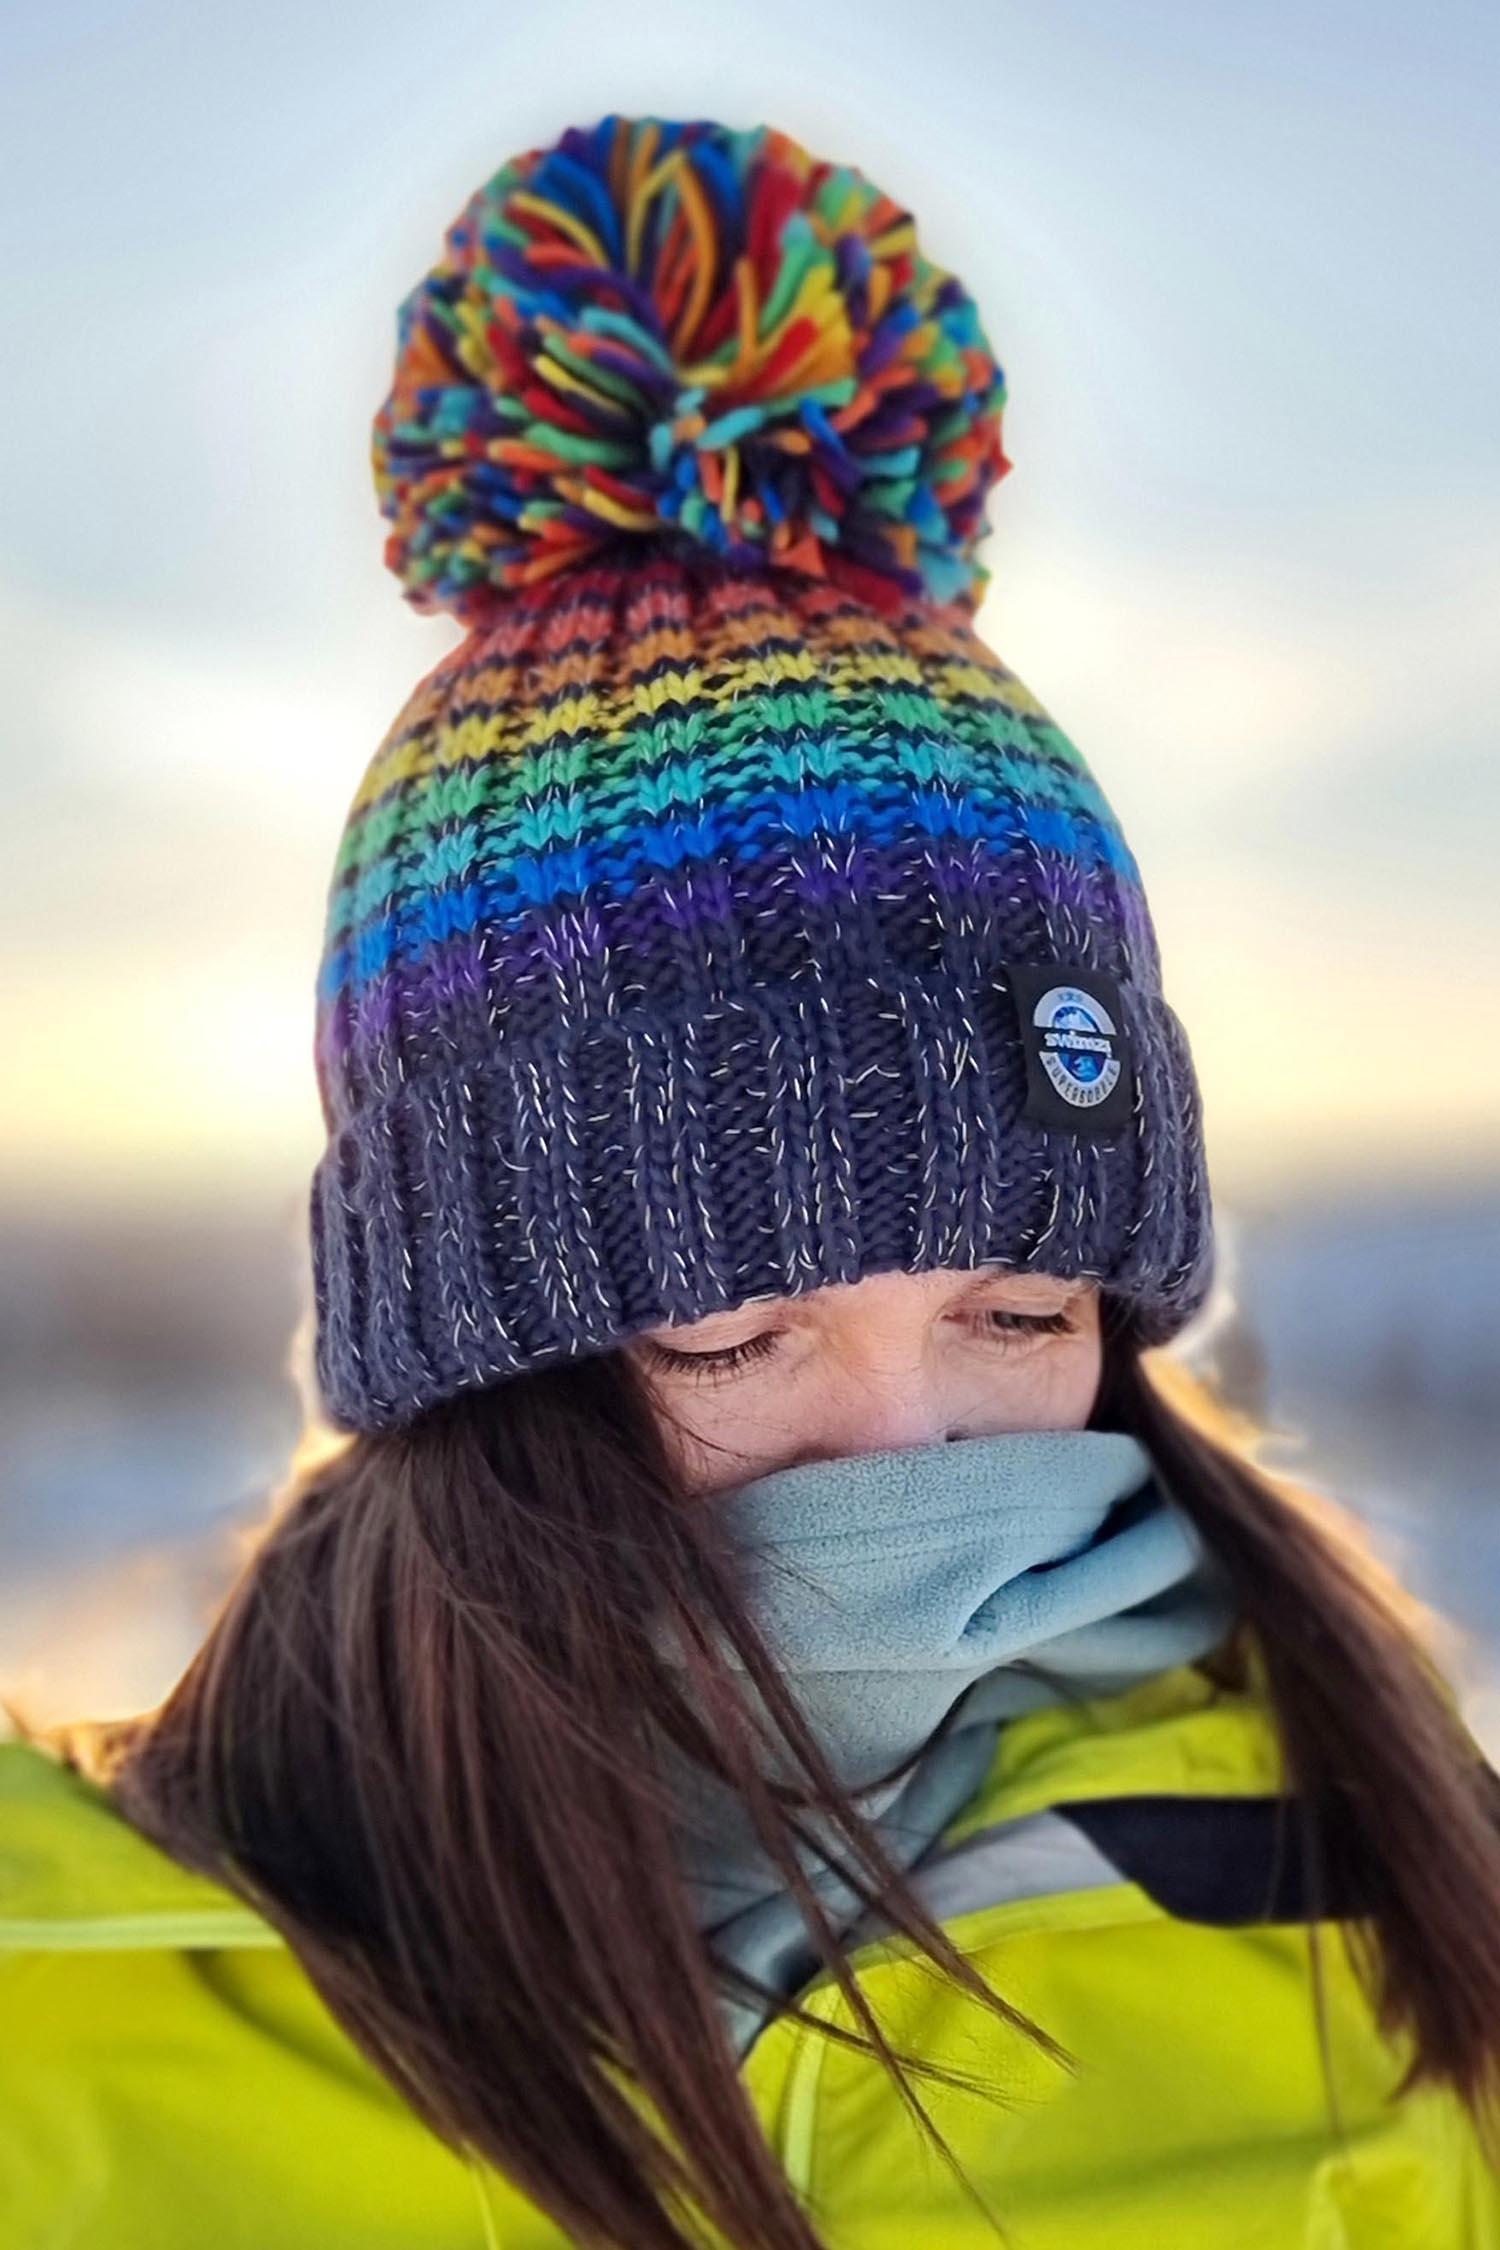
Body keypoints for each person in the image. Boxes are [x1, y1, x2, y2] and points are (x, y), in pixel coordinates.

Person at [2, 110, 1499, 2250]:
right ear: (464, 1363)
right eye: (733, 1323)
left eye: (1017, 1313)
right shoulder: (58, 2030)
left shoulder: (1407, 1934)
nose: (905, 1449)